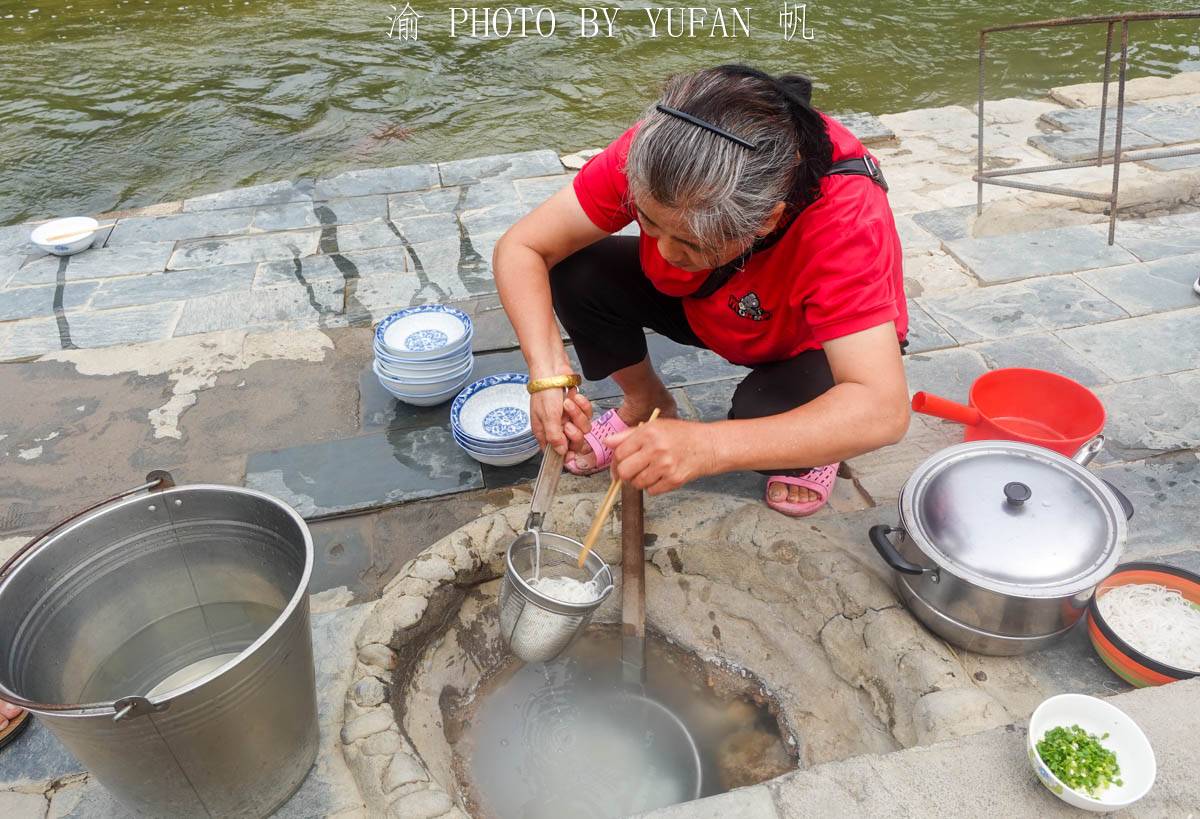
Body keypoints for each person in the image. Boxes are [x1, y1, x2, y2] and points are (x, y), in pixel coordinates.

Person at [494, 64, 910, 516]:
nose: (667, 251)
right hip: (712, 303)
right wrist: (548, 374)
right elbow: (523, 247)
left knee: (761, 415)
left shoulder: (845, 220)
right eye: (649, 223)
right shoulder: (664, 151)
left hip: (804, 340)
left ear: (767, 220)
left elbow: (882, 409)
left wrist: (709, 446)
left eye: (694, 242)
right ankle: (648, 401)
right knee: (578, 269)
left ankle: (813, 449)